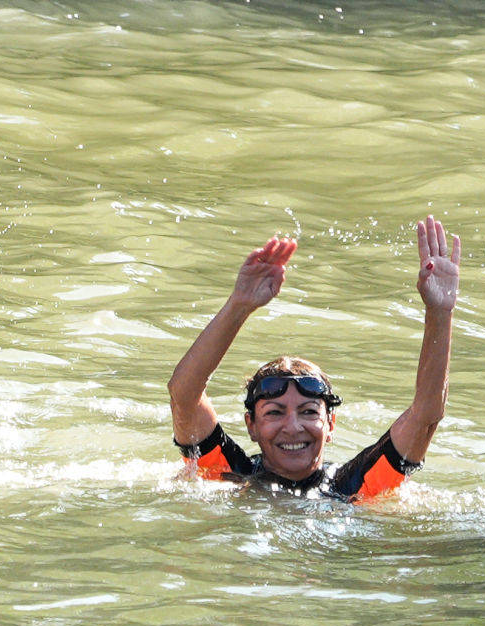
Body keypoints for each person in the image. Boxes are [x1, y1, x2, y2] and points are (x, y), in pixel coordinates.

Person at [168, 215, 461, 502]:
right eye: (274, 412)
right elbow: (184, 394)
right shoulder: (229, 474)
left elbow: (426, 416)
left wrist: (439, 312)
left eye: (309, 412)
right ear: (251, 426)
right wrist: (239, 305)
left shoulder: (352, 486)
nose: (293, 427)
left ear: (331, 425)